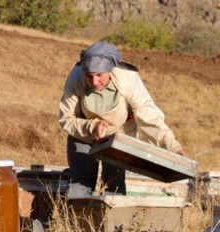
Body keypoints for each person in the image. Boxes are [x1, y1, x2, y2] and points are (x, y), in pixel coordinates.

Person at [58, 41, 185, 196]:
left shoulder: (128, 78)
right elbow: (66, 118)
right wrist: (92, 126)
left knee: (114, 182)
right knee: (81, 180)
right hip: (83, 134)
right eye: (89, 76)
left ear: (110, 70)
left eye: (99, 75)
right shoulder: (76, 76)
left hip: (119, 135)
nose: (94, 81)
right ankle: (78, 219)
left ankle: (113, 219)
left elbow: (149, 116)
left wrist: (172, 147)